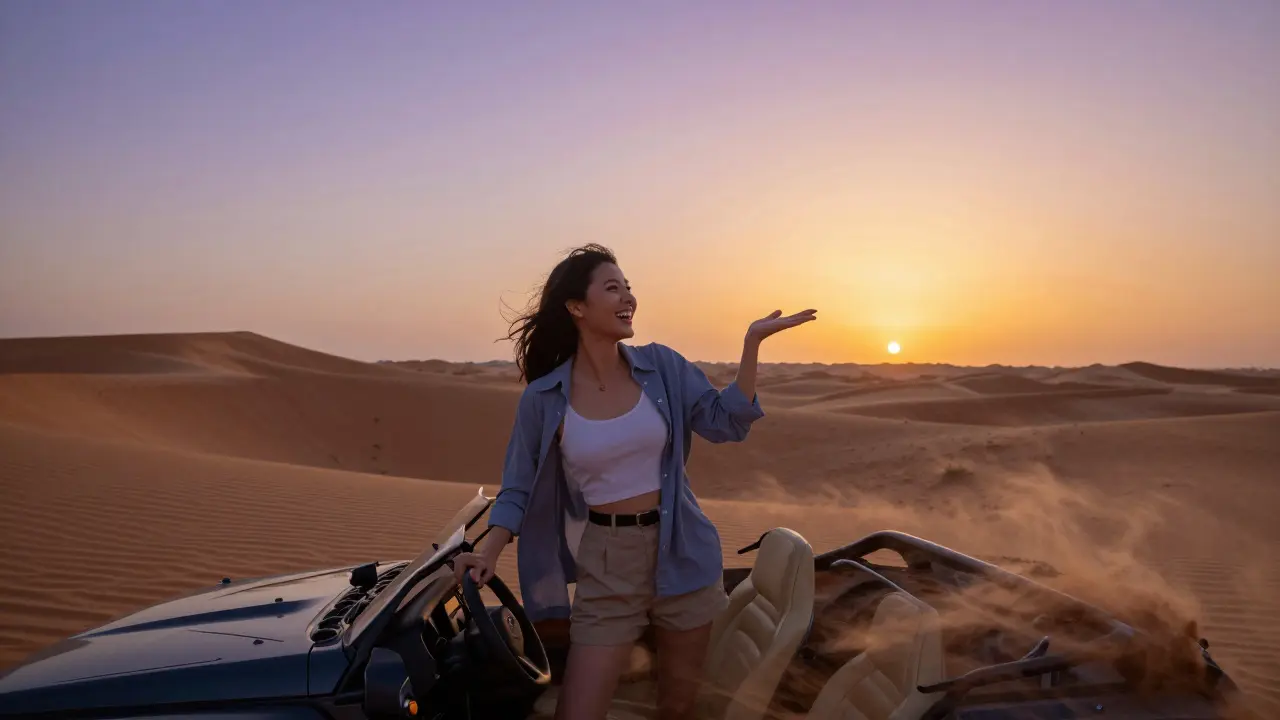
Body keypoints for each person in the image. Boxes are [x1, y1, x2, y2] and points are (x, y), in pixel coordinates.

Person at [452, 244, 816, 720]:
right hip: (606, 562)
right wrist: (489, 550)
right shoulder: (544, 398)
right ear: (576, 307)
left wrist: (751, 345)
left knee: (677, 709)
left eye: (628, 287)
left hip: (681, 548)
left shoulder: (662, 367)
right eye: (612, 287)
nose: (628, 297)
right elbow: (517, 486)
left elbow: (725, 421)